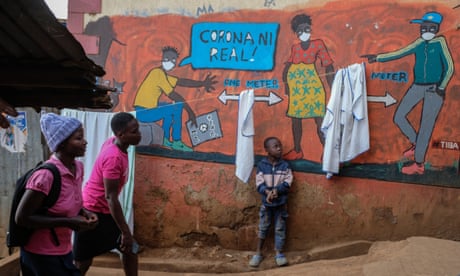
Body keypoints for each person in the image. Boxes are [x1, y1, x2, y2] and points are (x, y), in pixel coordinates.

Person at [364, 11, 454, 175]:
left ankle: (418, 164)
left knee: (426, 127)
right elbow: (400, 52)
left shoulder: (440, 43)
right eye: (423, 27)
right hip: (417, 86)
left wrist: (441, 87)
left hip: (435, 89)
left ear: (436, 28)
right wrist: (377, 58)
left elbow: (450, 67)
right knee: (399, 116)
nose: (425, 30)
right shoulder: (419, 43)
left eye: (429, 27)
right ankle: (416, 144)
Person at [15, 113, 99, 275]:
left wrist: (84, 212)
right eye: (78, 138)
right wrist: (67, 222)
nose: (85, 142)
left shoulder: (78, 168)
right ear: (61, 144)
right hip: (41, 254)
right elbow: (22, 217)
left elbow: (69, 200)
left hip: (64, 249)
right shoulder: (46, 176)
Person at [73, 112, 142, 276]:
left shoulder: (114, 144)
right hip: (92, 211)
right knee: (82, 261)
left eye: (138, 129)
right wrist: (125, 231)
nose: (139, 134)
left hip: (105, 211)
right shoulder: (113, 158)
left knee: (130, 249)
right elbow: (110, 197)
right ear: (121, 134)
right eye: (134, 132)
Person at [133, 46, 217, 151]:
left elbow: (181, 81)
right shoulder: (157, 74)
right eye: (167, 58)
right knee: (177, 106)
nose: (170, 62)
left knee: (169, 108)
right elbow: (174, 95)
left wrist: (203, 83)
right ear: (162, 58)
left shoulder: (161, 74)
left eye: (173, 60)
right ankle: (176, 141)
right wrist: (190, 111)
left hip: (146, 109)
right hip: (143, 112)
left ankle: (165, 139)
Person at [282, 14, 335, 160]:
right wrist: (287, 87)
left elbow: (328, 65)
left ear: (310, 28)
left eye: (306, 29)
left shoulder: (318, 44)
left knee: (320, 121)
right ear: (296, 33)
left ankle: (328, 151)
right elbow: (287, 67)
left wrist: (334, 88)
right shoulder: (295, 48)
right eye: (300, 30)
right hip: (297, 90)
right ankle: (297, 150)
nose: (304, 32)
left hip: (313, 89)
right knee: (295, 120)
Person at [249, 137, 294, 268]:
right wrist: (267, 192)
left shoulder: (285, 166)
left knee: (280, 228)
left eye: (280, 145)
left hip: (281, 204)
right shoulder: (262, 166)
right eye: (275, 146)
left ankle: (279, 253)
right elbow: (259, 183)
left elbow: (288, 182)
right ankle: (258, 253)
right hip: (266, 205)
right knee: (263, 228)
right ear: (267, 150)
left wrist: (277, 191)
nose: (279, 148)